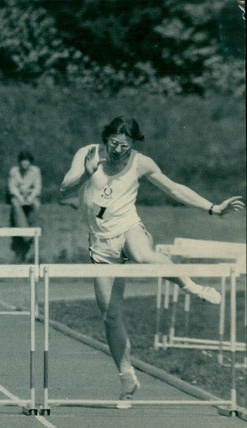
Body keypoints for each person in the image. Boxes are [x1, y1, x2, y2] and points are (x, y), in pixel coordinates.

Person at [59, 116, 244, 406]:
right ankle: (127, 379)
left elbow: (174, 188)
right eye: (115, 144)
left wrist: (212, 208)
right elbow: (64, 186)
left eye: (126, 145)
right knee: (110, 316)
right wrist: (86, 172)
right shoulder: (88, 153)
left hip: (128, 228)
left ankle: (191, 285)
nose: (119, 151)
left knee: (144, 255)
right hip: (100, 244)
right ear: (106, 138)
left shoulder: (141, 162)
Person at [7, 151, 41, 263]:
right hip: (18, 196)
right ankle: (26, 234)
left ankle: (32, 230)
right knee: (16, 205)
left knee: (36, 205)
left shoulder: (36, 171)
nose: (24, 164)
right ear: (19, 162)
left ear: (30, 162)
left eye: (27, 162)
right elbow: (12, 188)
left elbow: (37, 188)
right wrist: (20, 198)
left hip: (30, 196)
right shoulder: (14, 171)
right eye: (22, 161)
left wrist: (30, 198)